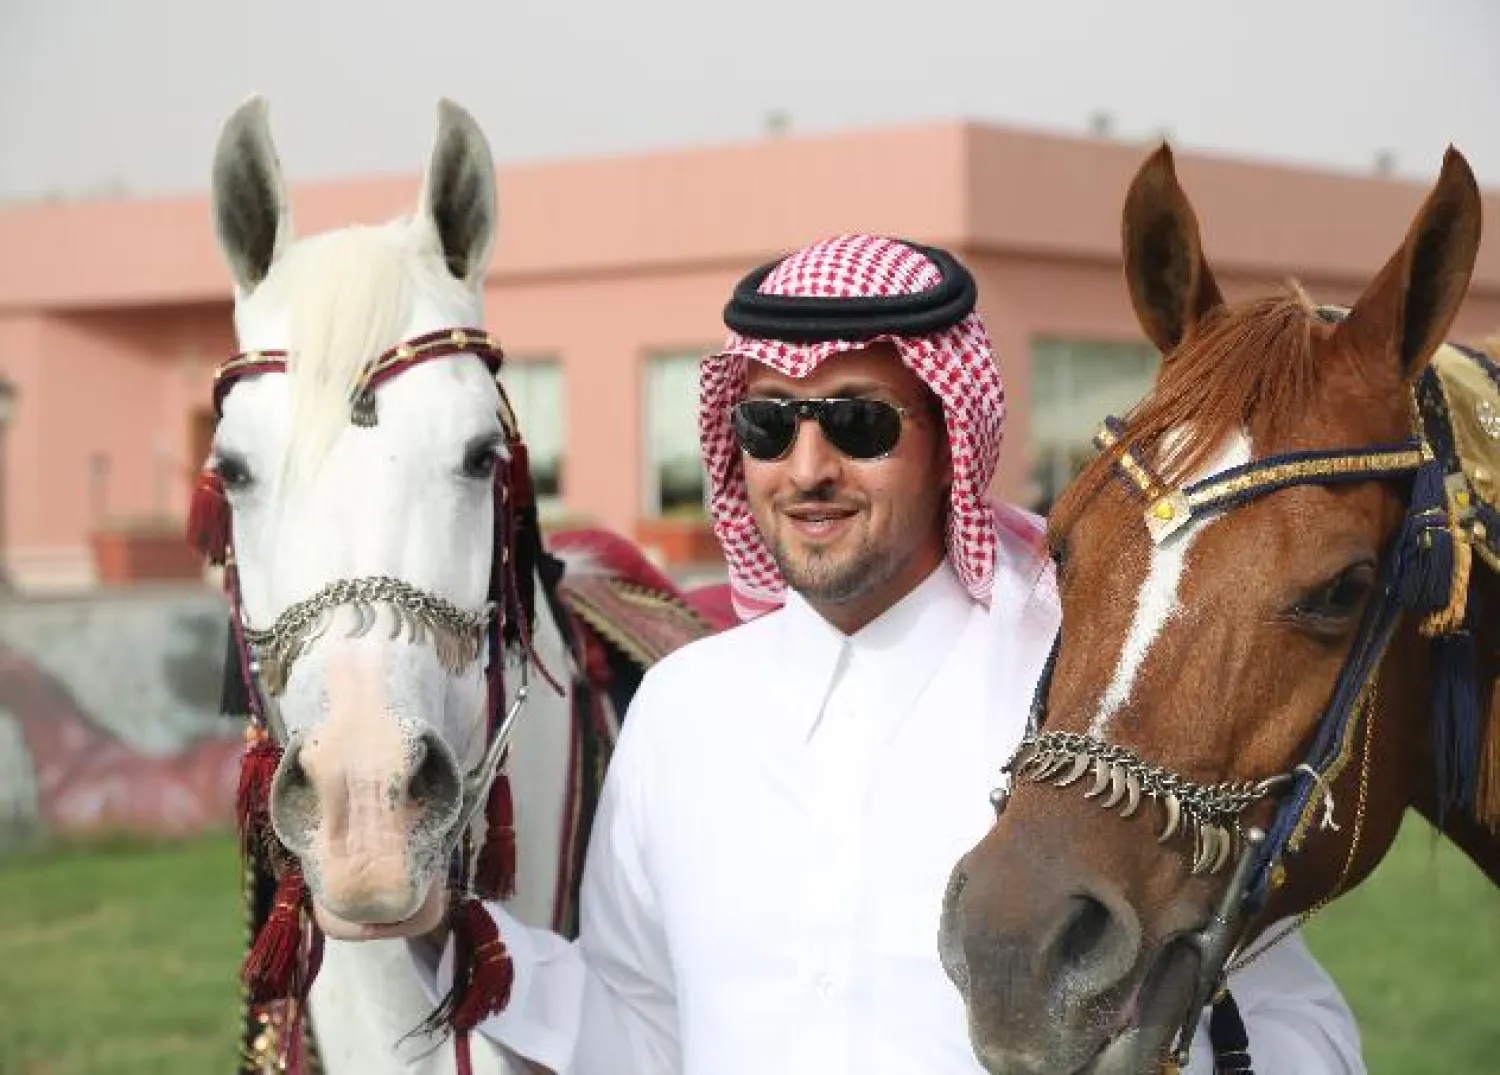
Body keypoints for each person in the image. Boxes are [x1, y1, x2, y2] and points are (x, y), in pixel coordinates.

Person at [412, 234, 1364, 1075]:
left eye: (859, 423)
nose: (808, 468)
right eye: (769, 425)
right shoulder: (681, 708)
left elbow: (1293, 1016)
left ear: (951, 439)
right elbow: (651, 1034)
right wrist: (439, 928)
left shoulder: (1077, 684)